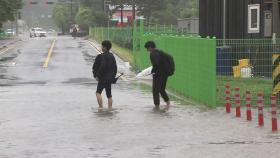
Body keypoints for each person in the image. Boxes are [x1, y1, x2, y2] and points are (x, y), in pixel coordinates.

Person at [144, 41, 170, 110]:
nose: (147, 50)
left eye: (147, 48)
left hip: (158, 75)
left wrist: (153, 72)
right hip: (165, 74)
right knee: (162, 89)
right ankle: (168, 103)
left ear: (150, 47)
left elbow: (156, 64)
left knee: (155, 91)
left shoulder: (153, 54)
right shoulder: (160, 52)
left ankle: (156, 107)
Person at [92, 40, 117, 111]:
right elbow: (115, 67)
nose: (101, 47)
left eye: (102, 46)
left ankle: (101, 108)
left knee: (98, 92)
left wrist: (97, 75)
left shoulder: (102, 56)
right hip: (110, 78)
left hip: (103, 78)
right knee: (109, 95)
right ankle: (110, 109)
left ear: (105, 48)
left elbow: (102, 66)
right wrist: (113, 77)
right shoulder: (112, 56)